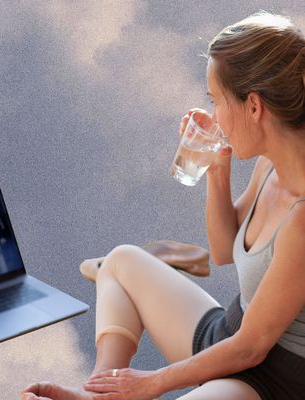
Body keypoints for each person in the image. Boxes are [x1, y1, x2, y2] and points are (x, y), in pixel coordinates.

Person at [21, 11, 305, 400]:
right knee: (121, 262)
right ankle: (99, 393)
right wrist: (217, 168)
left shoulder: (303, 219)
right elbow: (223, 251)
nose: (214, 114)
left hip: (267, 380)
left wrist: (150, 383)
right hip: (226, 335)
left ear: (254, 107)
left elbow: (252, 347)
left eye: (216, 100)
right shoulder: (269, 163)